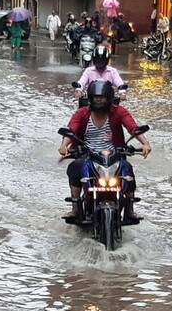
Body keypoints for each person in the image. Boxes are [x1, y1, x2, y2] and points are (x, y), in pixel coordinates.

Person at [58, 80, 152, 221]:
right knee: (74, 167)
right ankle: (75, 208)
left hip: (114, 156)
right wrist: (64, 146)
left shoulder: (119, 112)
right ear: (90, 98)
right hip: (88, 155)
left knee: (127, 169)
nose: (98, 100)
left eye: (101, 97)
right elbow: (71, 130)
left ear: (108, 98)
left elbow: (133, 128)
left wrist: (145, 144)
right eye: (96, 97)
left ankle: (129, 210)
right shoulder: (82, 113)